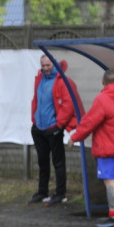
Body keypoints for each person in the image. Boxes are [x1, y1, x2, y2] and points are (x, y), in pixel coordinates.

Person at [67, 69, 114, 227]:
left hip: (109, 147)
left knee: (110, 181)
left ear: (103, 82)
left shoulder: (103, 99)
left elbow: (89, 123)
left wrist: (74, 137)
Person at [28, 55, 84, 205]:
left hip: (53, 127)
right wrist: (34, 121)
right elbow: (36, 100)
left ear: (54, 64)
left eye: (48, 65)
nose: (46, 68)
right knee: (42, 161)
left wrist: (59, 125)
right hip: (39, 127)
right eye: (43, 65)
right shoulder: (40, 79)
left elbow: (69, 104)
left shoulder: (62, 81)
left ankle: (60, 193)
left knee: (58, 162)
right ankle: (42, 191)